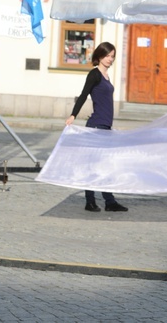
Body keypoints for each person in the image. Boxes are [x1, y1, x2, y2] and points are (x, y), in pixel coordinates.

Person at [66, 42, 129, 213]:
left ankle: (108, 201)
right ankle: (92, 201)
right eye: (108, 56)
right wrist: (73, 115)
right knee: (95, 165)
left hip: (105, 126)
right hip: (96, 125)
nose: (110, 59)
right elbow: (84, 94)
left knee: (105, 165)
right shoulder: (94, 74)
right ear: (100, 56)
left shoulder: (106, 75)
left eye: (112, 56)